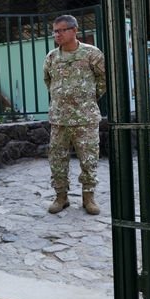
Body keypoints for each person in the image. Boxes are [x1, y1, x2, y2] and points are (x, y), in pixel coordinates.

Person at [43, 15, 106, 215]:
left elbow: (102, 81)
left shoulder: (92, 54)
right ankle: (61, 197)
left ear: (74, 30)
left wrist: (86, 100)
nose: (57, 34)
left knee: (89, 159)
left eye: (61, 30)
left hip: (85, 118)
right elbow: (48, 81)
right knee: (57, 159)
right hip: (59, 119)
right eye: (55, 31)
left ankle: (89, 198)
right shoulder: (52, 57)